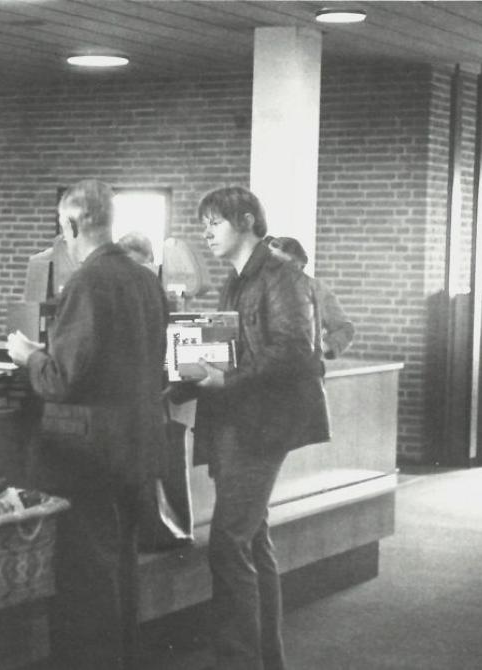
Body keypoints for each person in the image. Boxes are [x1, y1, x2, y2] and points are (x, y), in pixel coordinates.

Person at [6, 179, 169, 670]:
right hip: (136, 448)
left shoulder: (87, 282)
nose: (64, 240)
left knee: (84, 579)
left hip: (86, 455)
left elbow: (61, 380)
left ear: (74, 224)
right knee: (121, 569)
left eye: (64, 230)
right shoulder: (146, 279)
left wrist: (29, 356)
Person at [184, 186, 330, 670]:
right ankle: (265, 660)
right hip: (239, 420)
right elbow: (234, 344)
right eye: (203, 225)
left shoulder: (281, 275)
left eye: (215, 223)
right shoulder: (237, 278)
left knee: (229, 543)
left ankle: (241, 661)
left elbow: (294, 351)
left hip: (262, 424)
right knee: (249, 539)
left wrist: (226, 378)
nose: (206, 233)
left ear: (246, 220)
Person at [268, 235, 355, 359]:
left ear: (299, 265)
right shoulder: (255, 288)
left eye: (283, 263)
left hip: (300, 367)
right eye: (271, 262)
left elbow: (345, 329)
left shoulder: (316, 289)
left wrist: (321, 348)